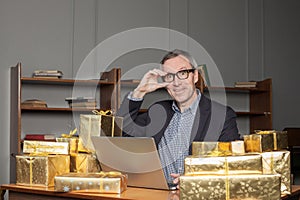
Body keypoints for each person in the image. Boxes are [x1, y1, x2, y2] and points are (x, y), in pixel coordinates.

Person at [116, 49, 239, 188]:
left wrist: (195, 179)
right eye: (169, 76)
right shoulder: (157, 111)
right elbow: (122, 131)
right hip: (158, 194)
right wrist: (140, 91)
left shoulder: (221, 115)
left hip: (198, 194)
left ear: (195, 76)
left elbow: (232, 163)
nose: (176, 83)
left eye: (182, 73)